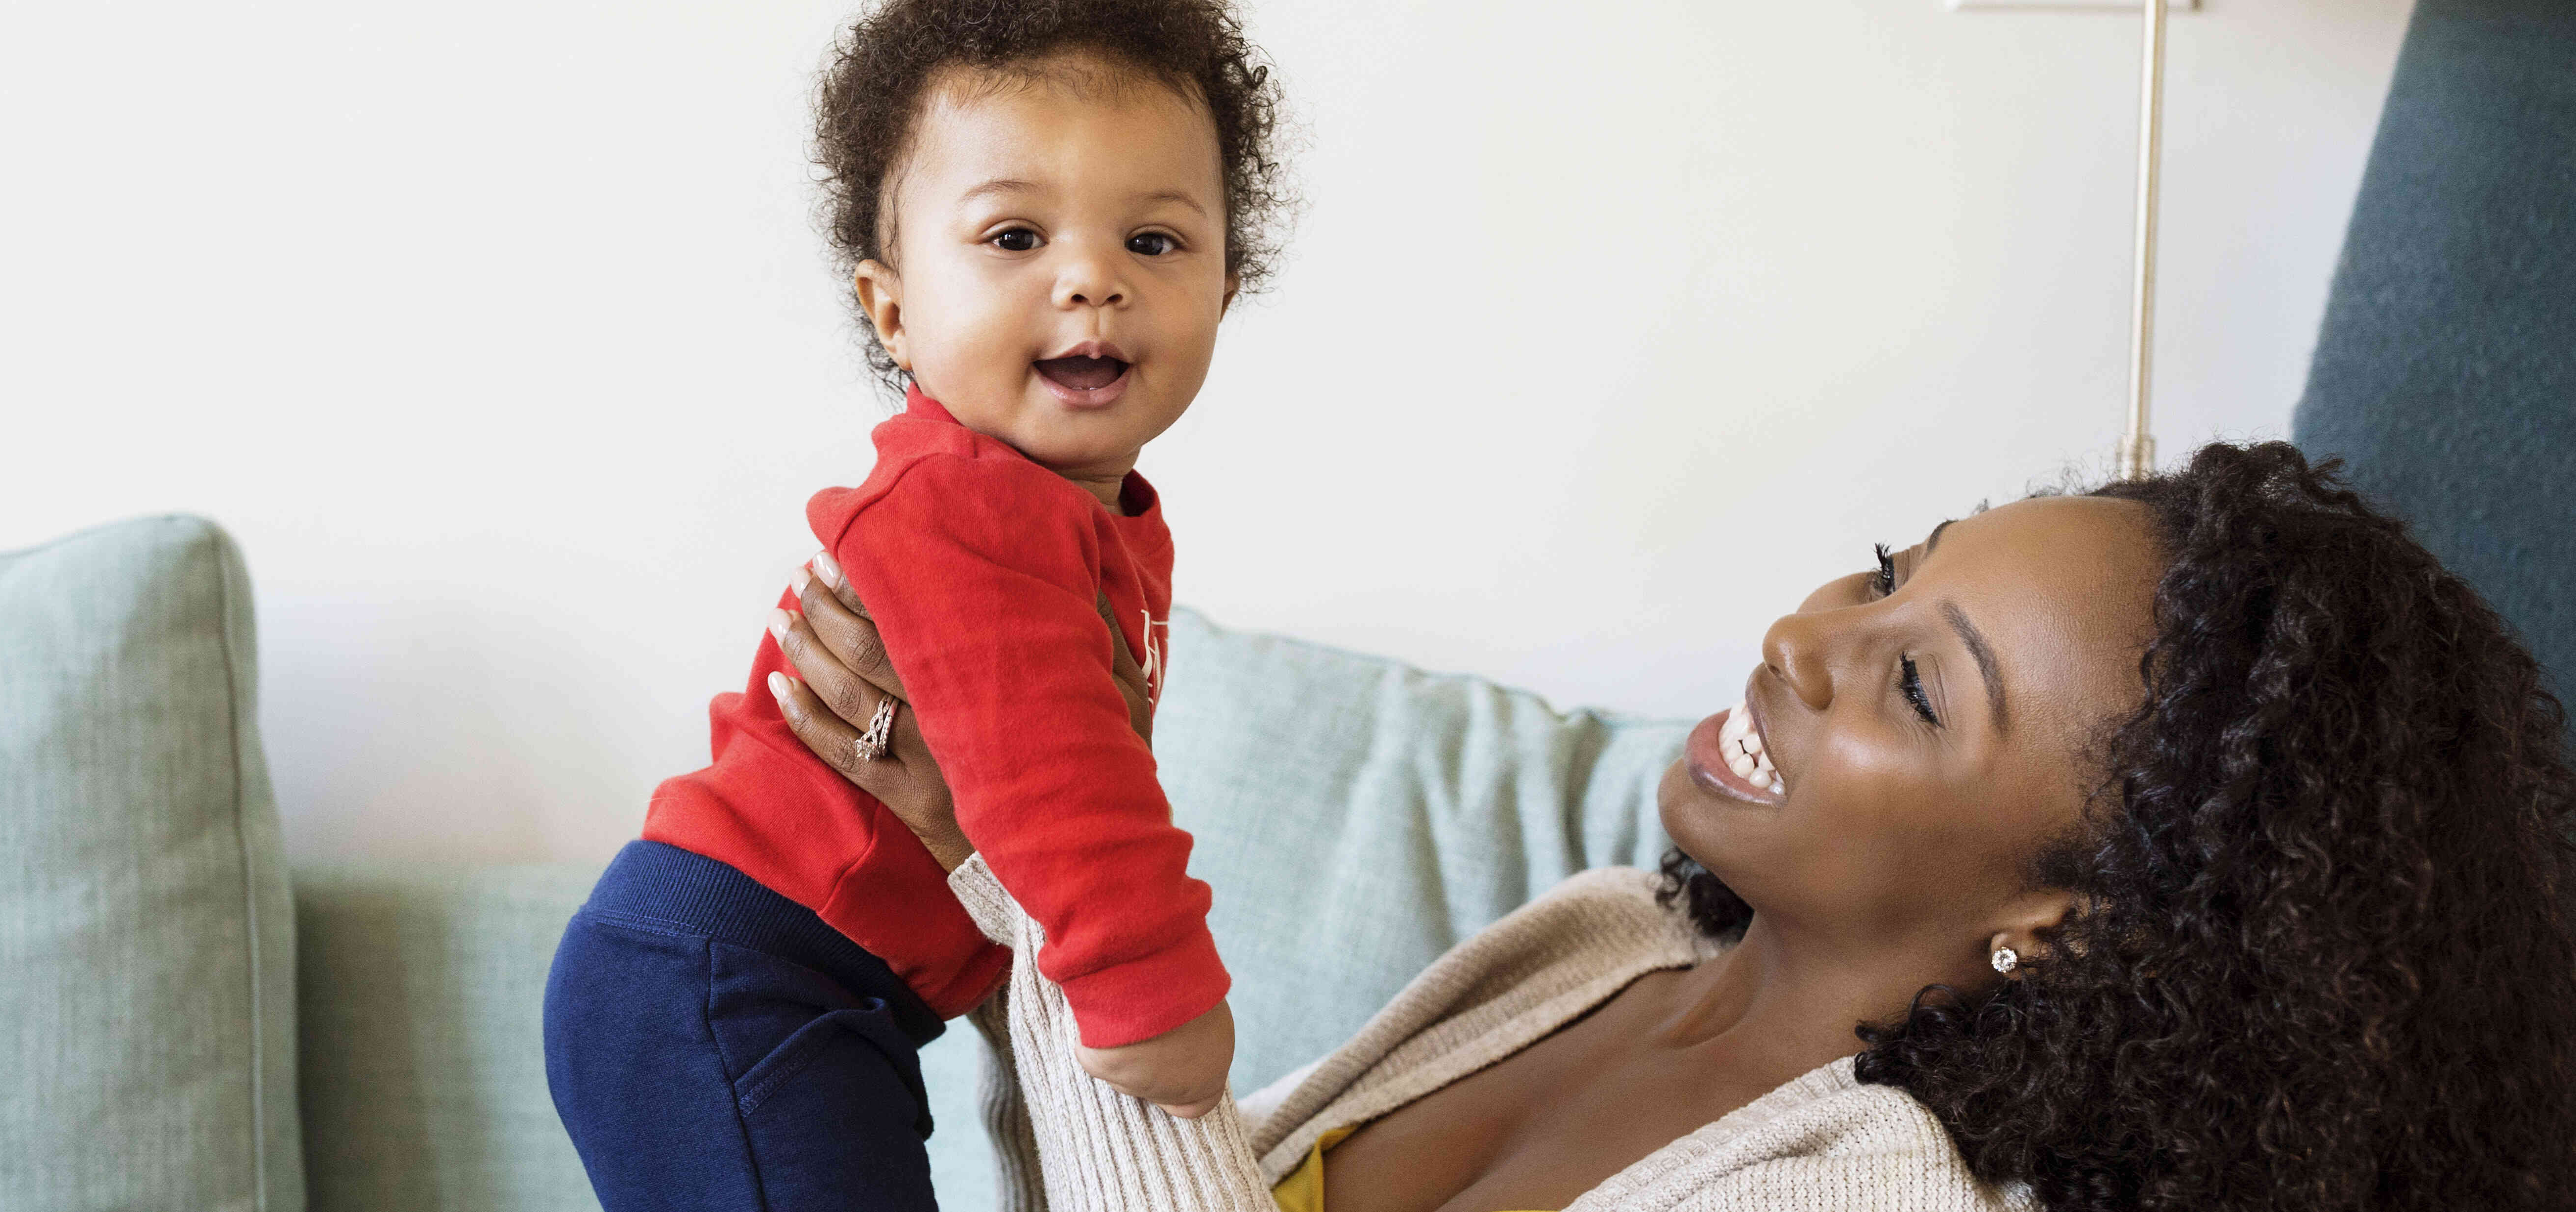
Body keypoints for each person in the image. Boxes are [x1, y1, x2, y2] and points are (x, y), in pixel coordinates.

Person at [767, 441, 2576, 1212]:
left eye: (1921, 686)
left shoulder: (1875, 1202)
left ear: (2072, 924)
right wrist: (1002, 849)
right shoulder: (1619, 936)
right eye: (1889, 571)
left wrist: (1046, 858)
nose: (1803, 640)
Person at [540, 0, 1294, 1208]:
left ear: (1224, 287)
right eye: (1014, 237)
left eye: (1153, 239)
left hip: (813, 987)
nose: (1090, 278)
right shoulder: (963, 504)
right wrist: (1157, 988)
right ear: (894, 312)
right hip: (735, 973)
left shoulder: (1089, 516)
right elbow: (1061, 784)